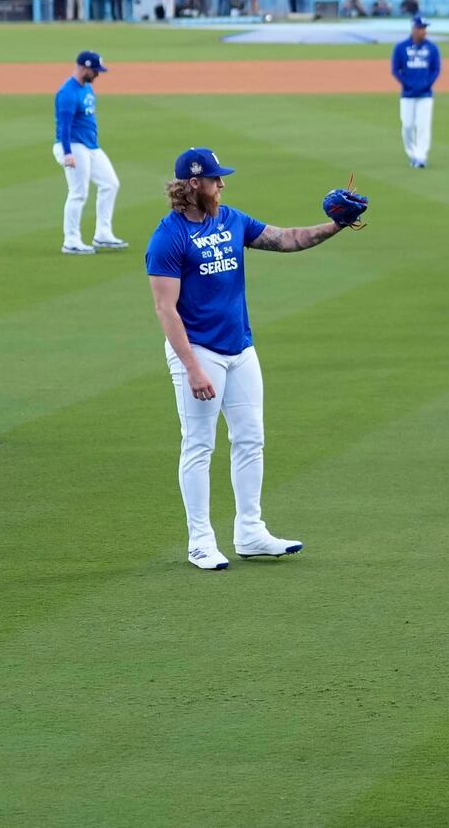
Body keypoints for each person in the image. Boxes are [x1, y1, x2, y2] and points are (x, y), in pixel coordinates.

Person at [146, 148, 366, 570]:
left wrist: (336, 225)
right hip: (200, 353)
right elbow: (165, 309)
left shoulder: (231, 220)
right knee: (199, 446)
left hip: (241, 349)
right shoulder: (168, 238)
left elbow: (286, 239)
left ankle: (249, 532)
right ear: (194, 184)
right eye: (215, 179)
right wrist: (191, 368)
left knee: (250, 439)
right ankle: (200, 542)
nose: (222, 184)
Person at [53, 50, 126, 255]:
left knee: (110, 184)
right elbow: (64, 127)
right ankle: (71, 240)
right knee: (78, 193)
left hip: (91, 146)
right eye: (95, 71)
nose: (98, 75)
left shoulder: (86, 88)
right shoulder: (67, 93)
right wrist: (68, 153)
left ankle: (103, 234)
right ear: (84, 68)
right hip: (73, 146)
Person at [391, 15, 441, 168]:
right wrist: (408, 84)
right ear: (414, 29)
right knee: (407, 125)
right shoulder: (401, 47)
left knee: (423, 125)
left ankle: (421, 156)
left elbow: (435, 69)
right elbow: (395, 70)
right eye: (421, 28)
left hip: (425, 94)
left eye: (425, 28)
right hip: (407, 94)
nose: (423, 31)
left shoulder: (432, 48)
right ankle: (412, 153)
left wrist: (426, 83)